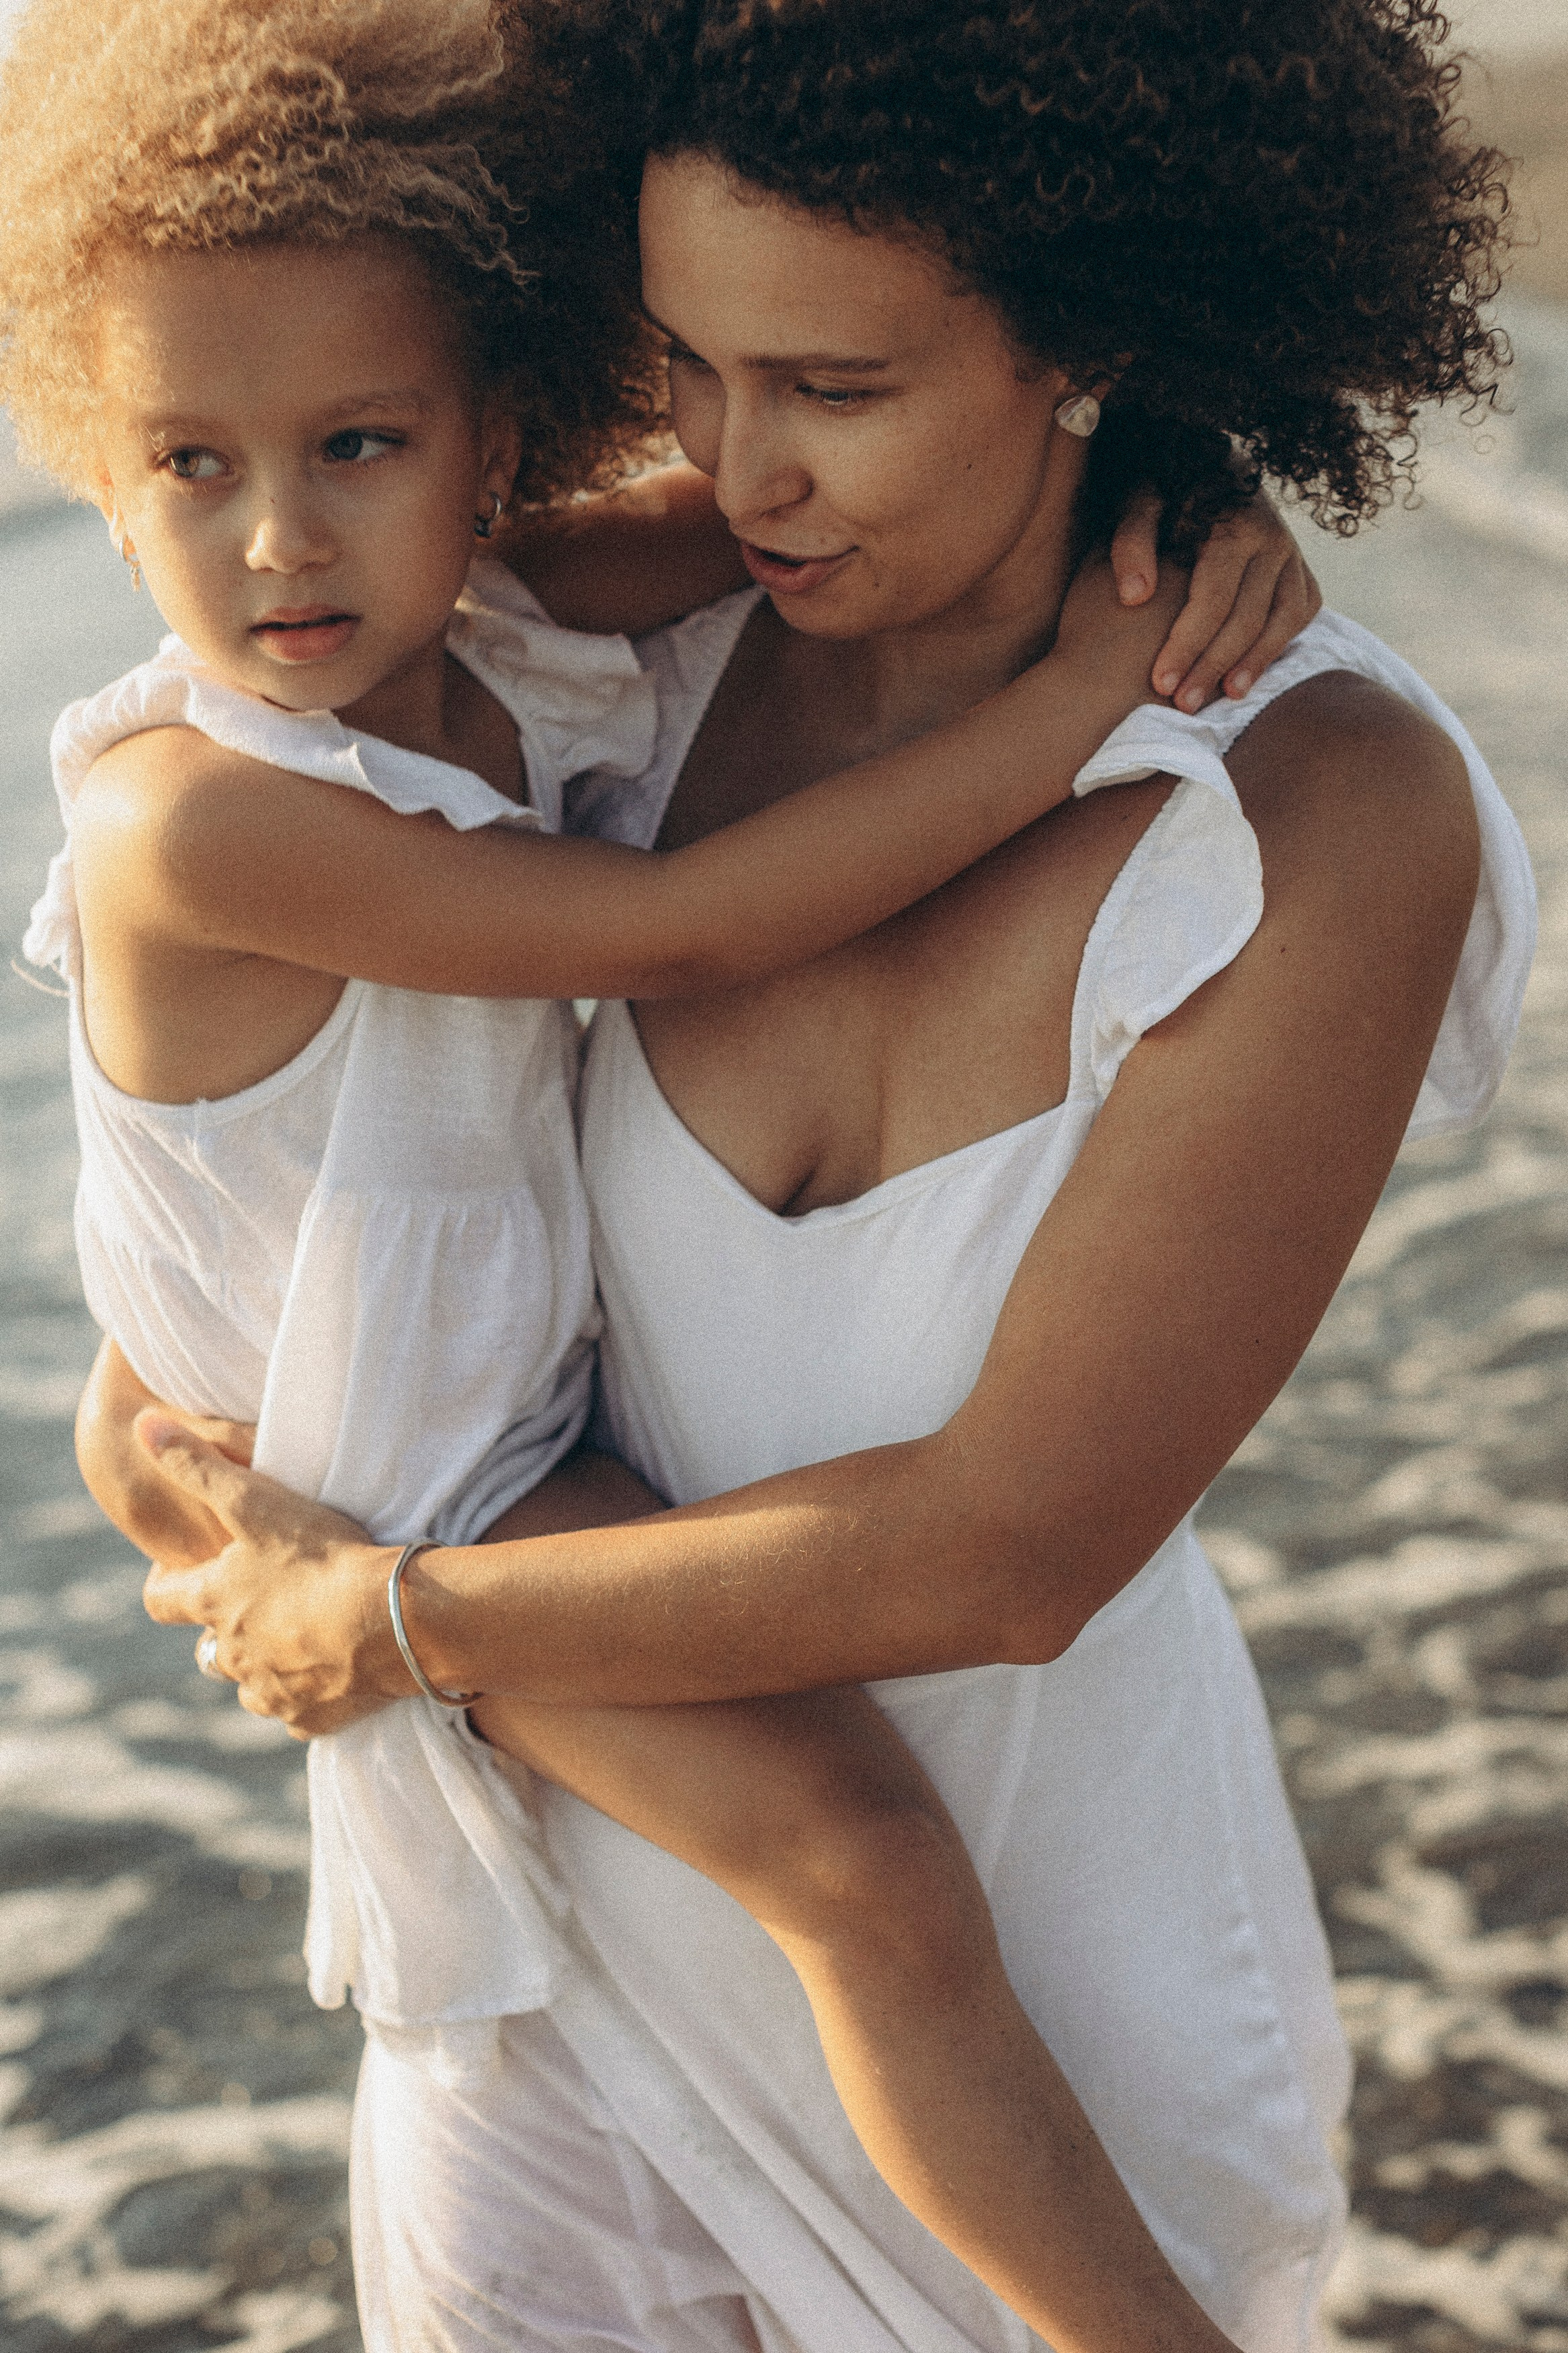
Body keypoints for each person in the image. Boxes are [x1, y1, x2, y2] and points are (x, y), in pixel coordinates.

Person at [69, 0, 1536, 2346]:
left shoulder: (1314, 818)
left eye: (833, 388)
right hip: (550, 1978)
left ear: (1096, 331)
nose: (742, 475)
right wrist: (157, 1432)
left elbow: (1013, 1546)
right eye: (680, 369)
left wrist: (402, 1616)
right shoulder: (572, 654)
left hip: (1022, 2008)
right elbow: (300, 1165)